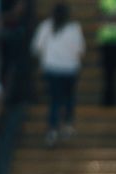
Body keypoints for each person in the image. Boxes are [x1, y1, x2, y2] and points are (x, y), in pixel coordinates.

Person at [32, 4, 86, 146]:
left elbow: (36, 48)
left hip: (52, 69)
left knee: (55, 100)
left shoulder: (46, 27)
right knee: (69, 98)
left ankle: (52, 130)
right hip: (70, 69)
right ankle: (67, 125)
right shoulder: (74, 28)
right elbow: (81, 51)